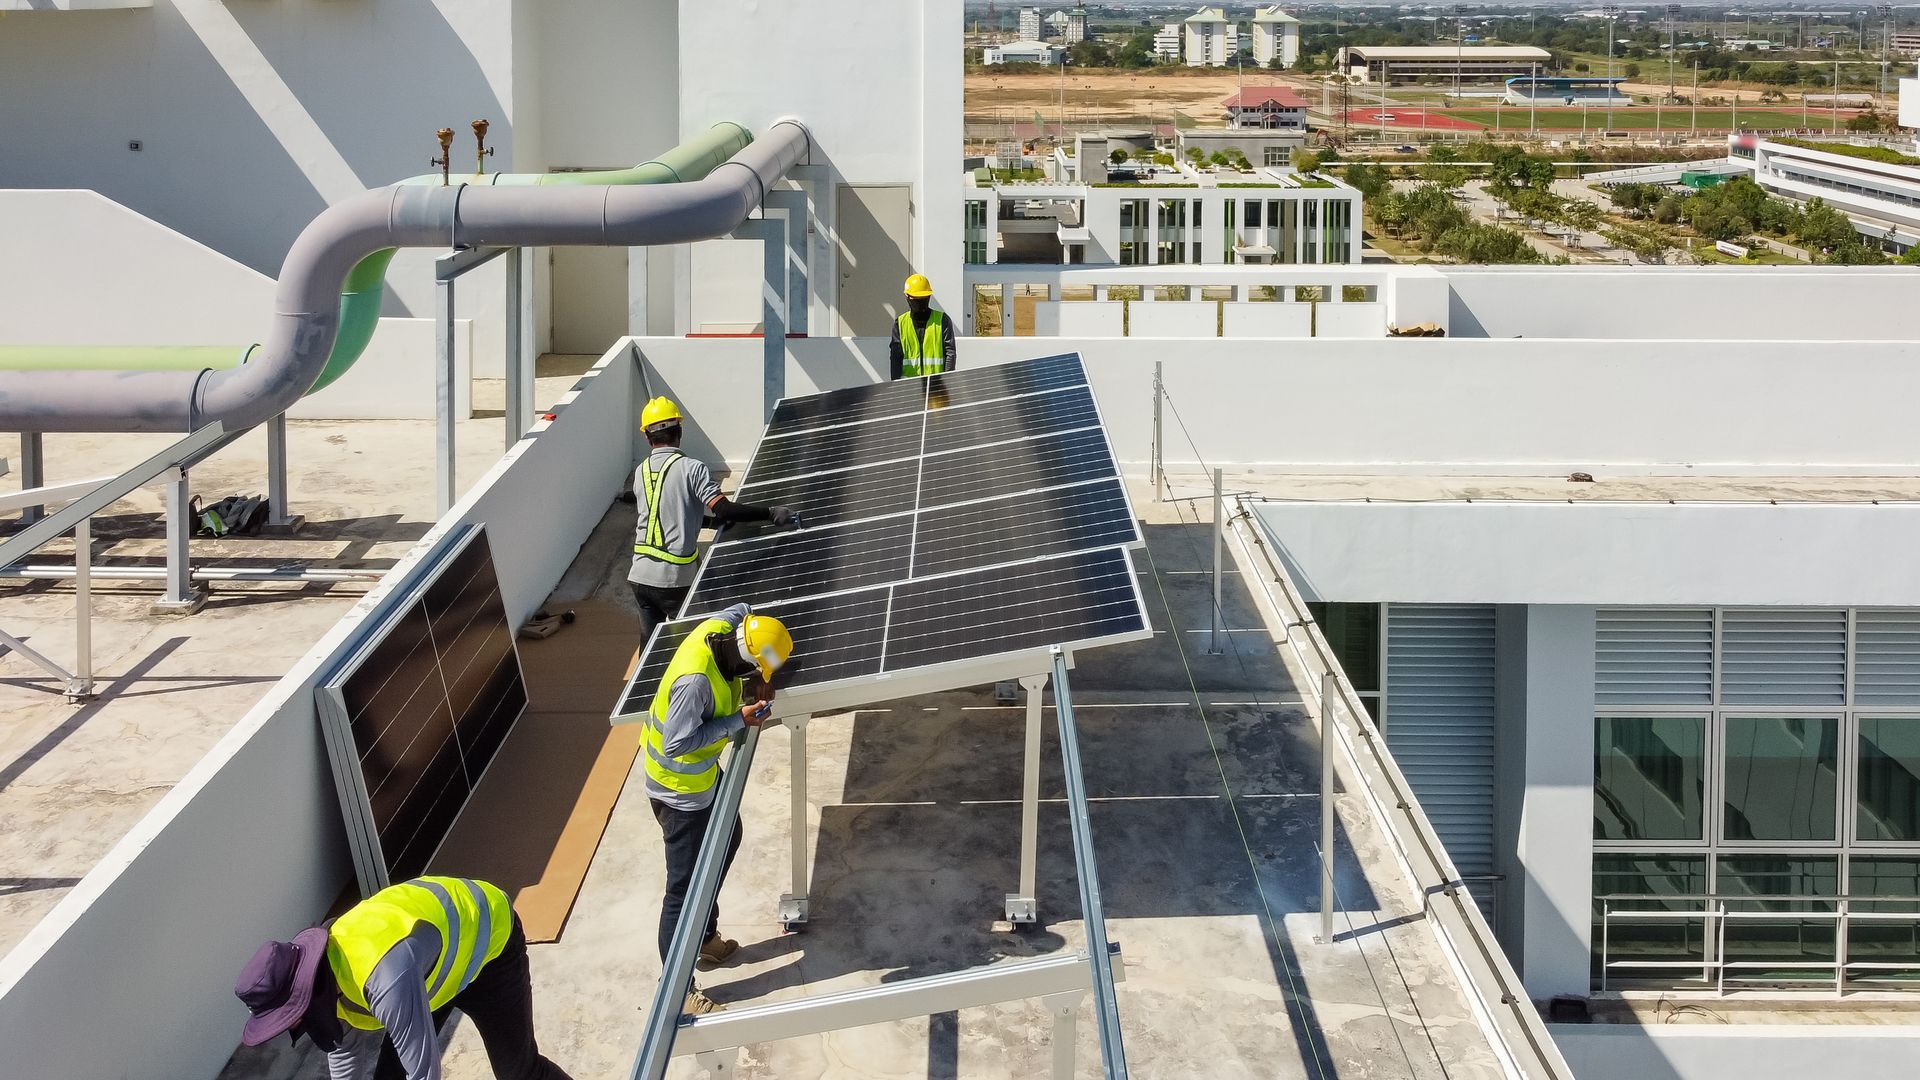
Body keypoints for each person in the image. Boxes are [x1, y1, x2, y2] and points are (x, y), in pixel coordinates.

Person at [233, 876, 572, 1080]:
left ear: (303, 995)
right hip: (429, 968)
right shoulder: (325, 981)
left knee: (519, 1072)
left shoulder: (383, 977)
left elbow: (425, 1073)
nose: (290, 1030)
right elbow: (343, 1049)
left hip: (488, 945)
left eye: (285, 1019)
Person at [643, 602, 793, 1016]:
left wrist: (763, 673)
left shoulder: (723, 628)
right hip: (679, 790)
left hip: (704, 776)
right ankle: (677, 987)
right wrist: (737, 720)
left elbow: (743, 607)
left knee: (730, 834)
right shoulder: (695, 683)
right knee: (684, 890)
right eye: (755, 671)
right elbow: (677, 742)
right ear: (743, 655)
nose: (755, 680)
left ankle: (705, 936)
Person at [629, 397, 795, 645]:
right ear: (679, 431)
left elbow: (662, 515)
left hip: (639, 576)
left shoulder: (640, 472)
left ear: (647, 437)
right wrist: (770, 513)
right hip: (674, 580)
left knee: (651, 648)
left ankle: (646, 685)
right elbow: (724, 509)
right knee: (695, 641)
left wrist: (709, 524)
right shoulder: (692, 468)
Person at [888, 273, 957, 380]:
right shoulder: (900, 324)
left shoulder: (942, 320)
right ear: (907, 297)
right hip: (909, 390)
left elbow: (950, 354)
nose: (920, 301)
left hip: (936, 387)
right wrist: (896, 387)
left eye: (923, 297)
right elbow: (895, 358)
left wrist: (947, 382)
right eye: (916, 298)